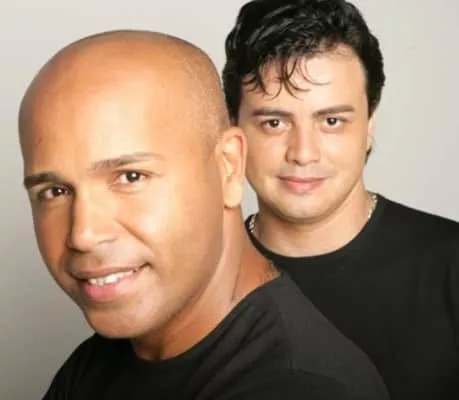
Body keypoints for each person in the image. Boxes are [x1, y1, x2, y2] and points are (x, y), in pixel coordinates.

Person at [18, 30, 388, 400]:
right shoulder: (97, 365)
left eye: (131, 177)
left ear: (228, 167)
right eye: (55, 191)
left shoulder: (303, 387)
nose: (83, 234)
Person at [222, 0, 459, 399]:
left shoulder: (451, 265)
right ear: (235, 133)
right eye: (274, 122)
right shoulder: (198, 281)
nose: (303, 153)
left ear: (369, 126)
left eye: (331, 121)